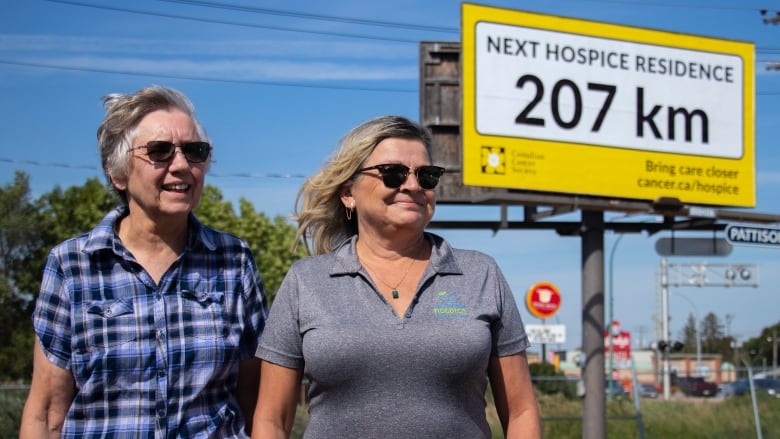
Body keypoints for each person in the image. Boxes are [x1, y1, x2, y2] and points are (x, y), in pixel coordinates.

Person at [252, 115, 541, 438]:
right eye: (393, 173)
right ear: (349, 193)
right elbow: (271, 420)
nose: (413, 185)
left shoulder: (481, 274)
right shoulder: (305, 281)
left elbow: (521, 411)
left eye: (427, 175)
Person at [20, 85, 268, 438]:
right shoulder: (71, 266)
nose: (181, 165)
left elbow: (256, 398)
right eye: (160, 151)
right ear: (117, 172)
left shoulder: (233, 261)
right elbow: (45, 413)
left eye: (194, 151)